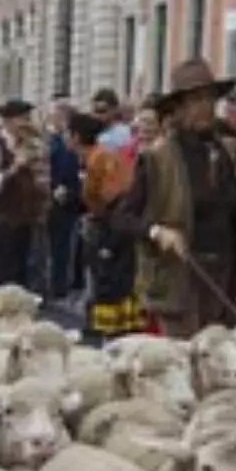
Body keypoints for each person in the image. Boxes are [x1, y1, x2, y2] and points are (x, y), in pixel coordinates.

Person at [112, 58, 236, 338]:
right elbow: (122, 218)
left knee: (219, 369)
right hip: (179, 278)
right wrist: (157, 231)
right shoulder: (157, 157)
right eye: (196, 100)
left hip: (223, 277)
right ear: (177, 109)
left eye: (210, 99)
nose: (206, 107)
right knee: (184, 362)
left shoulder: (227, 152)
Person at [66, 111, 142, 339]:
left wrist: (109, 240)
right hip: (107, 222)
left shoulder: (101, 158)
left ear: (76, 137)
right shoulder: (96, 157)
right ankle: (103, 325)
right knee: (103, 280)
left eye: (68, 134)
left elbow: (116, 198)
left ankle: (113, 332)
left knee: (112, 282)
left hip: (113, 228)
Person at [0, 98, 49, 287]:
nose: (26, 123)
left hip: (25, 219)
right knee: (4, 275)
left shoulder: (33, 146)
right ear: (8, 121)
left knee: (21, 276)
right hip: (0, 220)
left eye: (27, 118)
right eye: (22, 118)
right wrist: (13, 169)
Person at [46, 100, 82, 302]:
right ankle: (57, 282)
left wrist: (66, 188)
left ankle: (61, 284)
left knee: (64, 243)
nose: (53, 119)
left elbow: (72, 166)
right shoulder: (54, 139)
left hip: (68, 197)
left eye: (56, 115)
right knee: (56, 242)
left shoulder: (69, 140)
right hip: (55, 195)